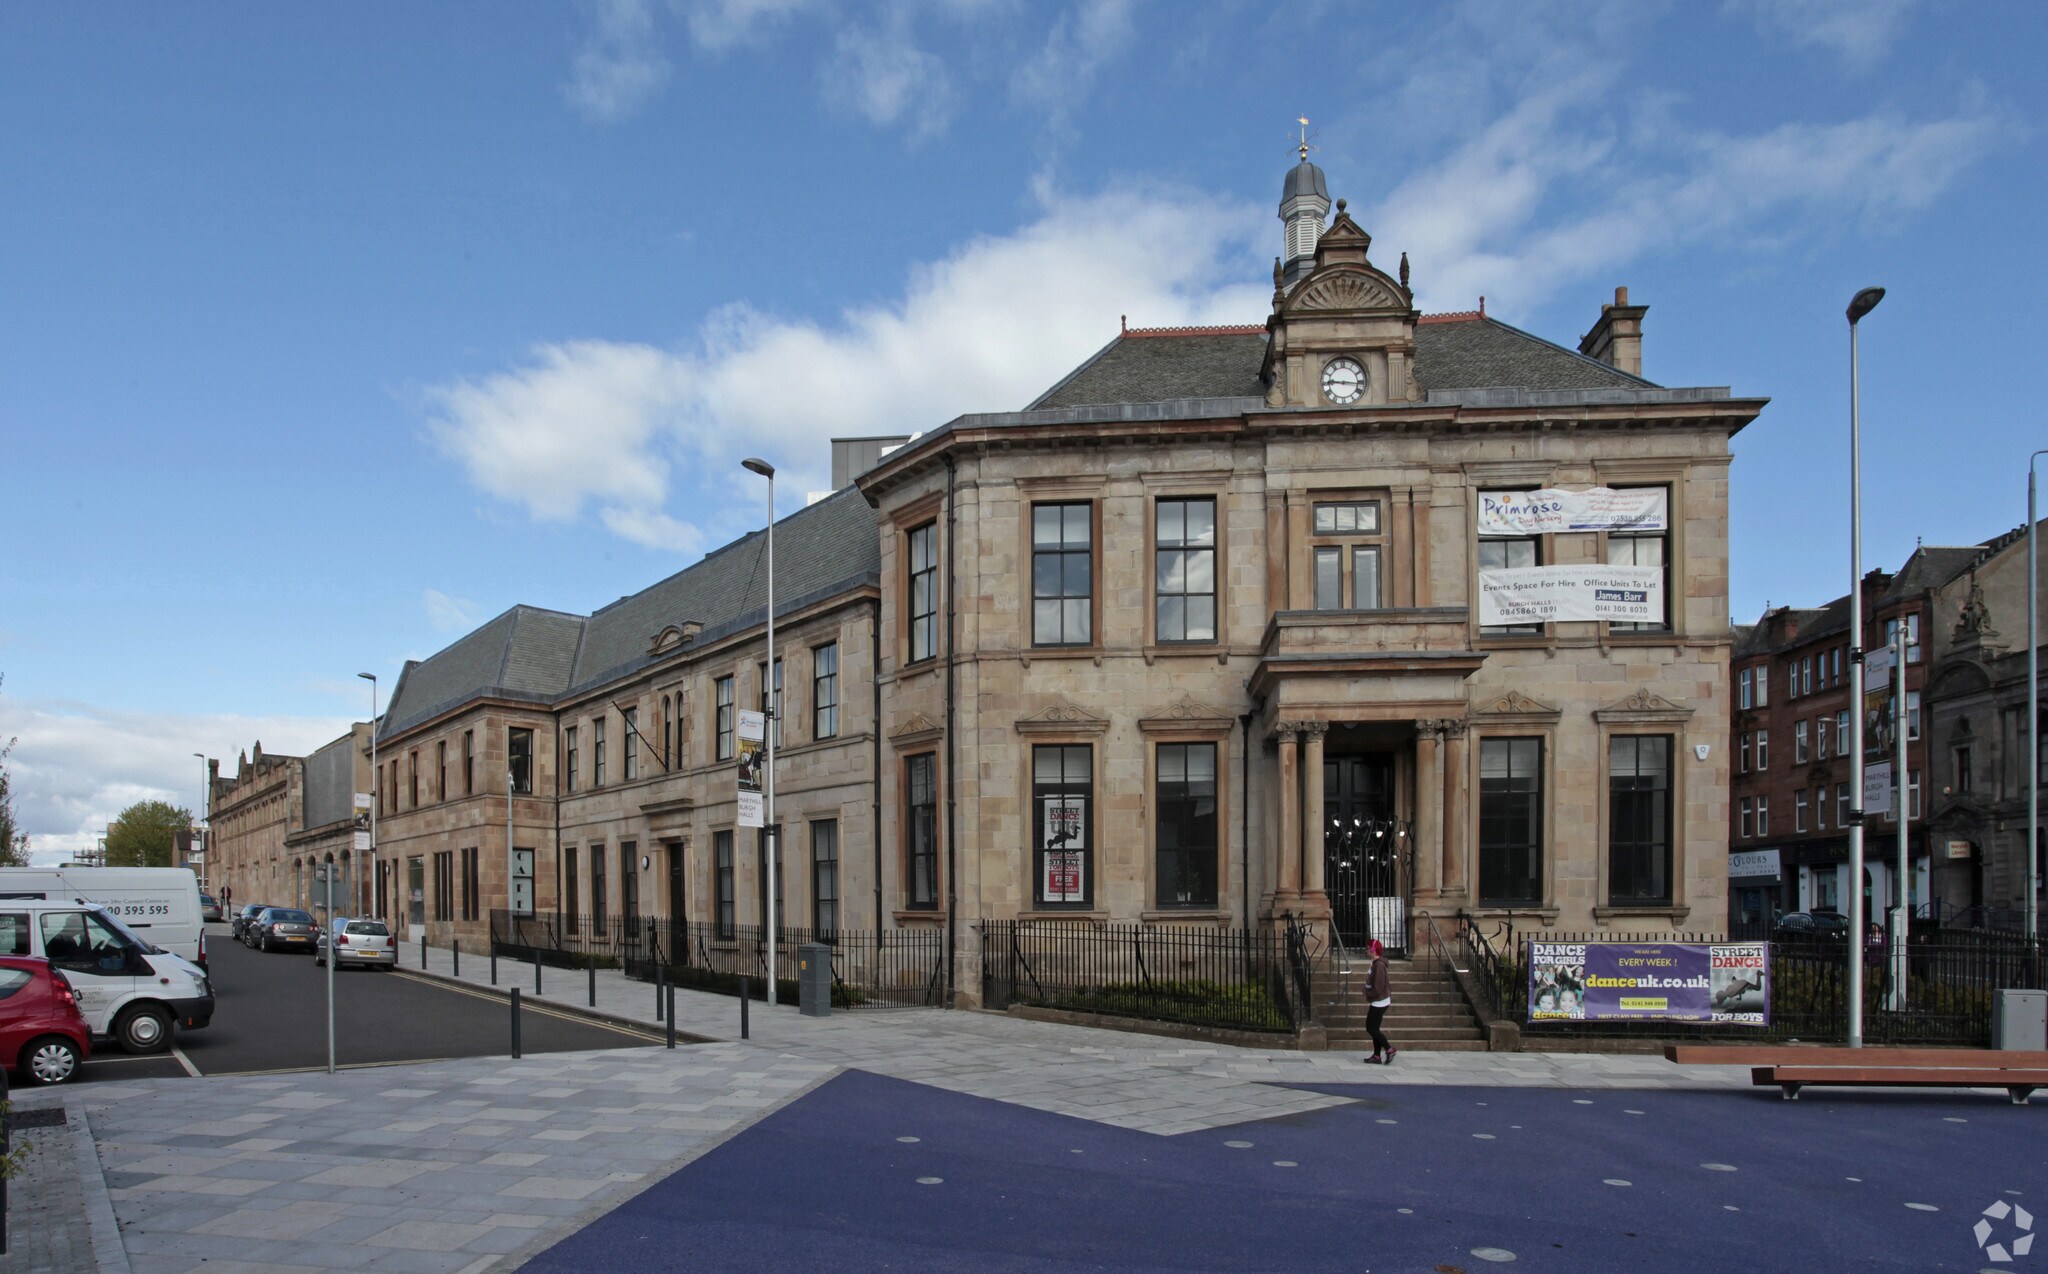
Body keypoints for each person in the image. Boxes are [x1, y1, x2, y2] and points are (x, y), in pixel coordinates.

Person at [1363, 938, 1396, 1065]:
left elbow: (1378, 986)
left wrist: (1369, 994)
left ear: (1373, 950)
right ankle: (1377, 1056)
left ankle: (1389, 1049)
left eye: (1368, 948)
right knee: (1374, 1028)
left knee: (1371, 1028)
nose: (1366, 950)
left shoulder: (1379, 965)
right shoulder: (1375, 963)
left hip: (1379, 1001)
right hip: (1378, 1001)